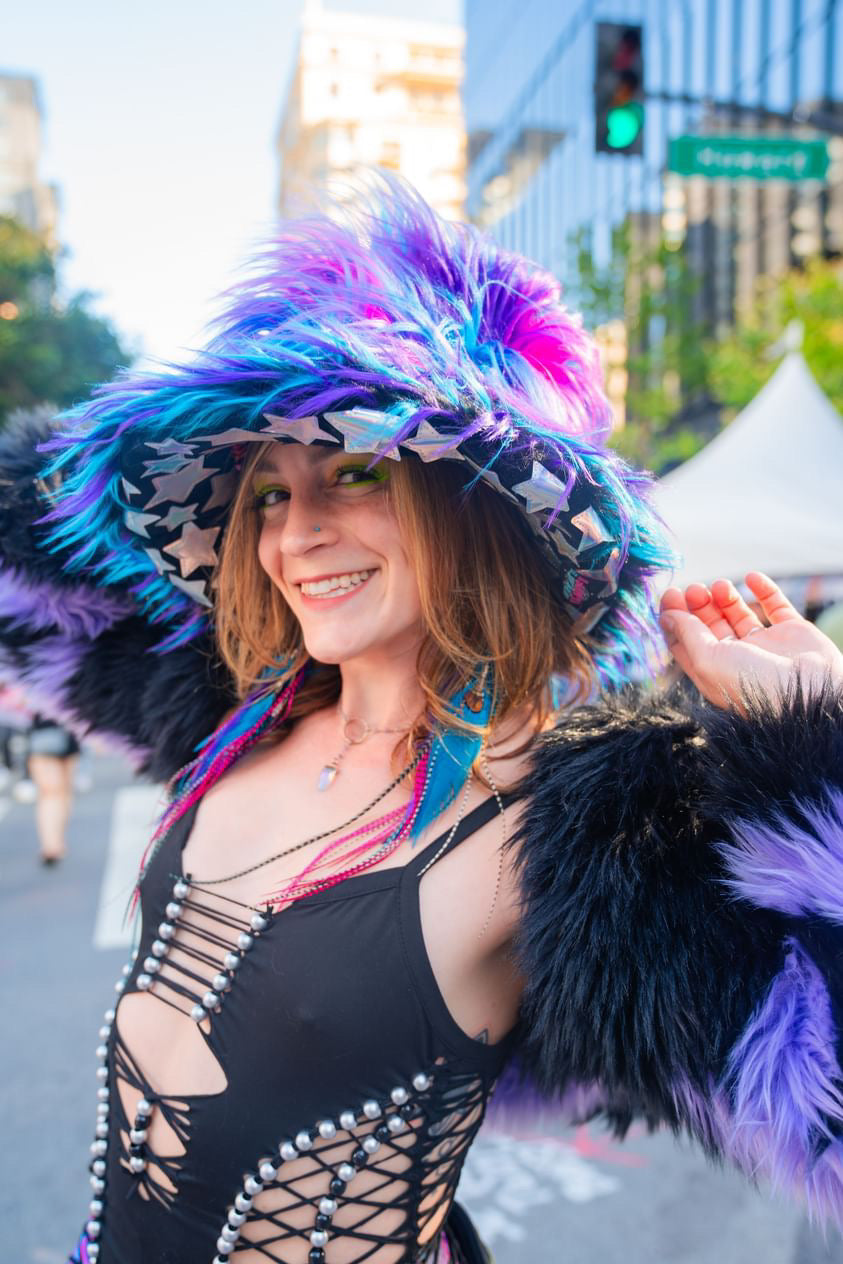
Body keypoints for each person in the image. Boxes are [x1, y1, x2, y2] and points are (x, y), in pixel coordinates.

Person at [0, 176, 841, 1264]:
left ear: (479, 503)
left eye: (353, 471)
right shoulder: (241, 711)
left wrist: (811, 744)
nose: (293, 537)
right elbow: (35, 575)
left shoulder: (575, 823)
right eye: (267, 491)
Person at [26, 714, 80, 863]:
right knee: (62, 792)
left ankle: (52, 844)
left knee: (52, 794)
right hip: (68, 730)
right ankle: (56, 842)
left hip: (45, 734)